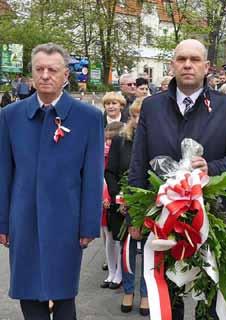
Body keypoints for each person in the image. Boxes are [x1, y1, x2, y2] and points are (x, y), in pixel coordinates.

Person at [128, 38, 226, 320]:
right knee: (167, 296)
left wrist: (213, 168)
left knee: (209, 295)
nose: (187, 65)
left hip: (212, 217)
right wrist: (135, 218)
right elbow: (138, 160)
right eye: (181, 59)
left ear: (206, 67)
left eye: (194, 60)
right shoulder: (152, 106)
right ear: (172, 65)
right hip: (162, 217)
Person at [0, 43, 104, 319]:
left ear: (66, 74)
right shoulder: (10, 116)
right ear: (32, 73)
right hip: (23, 218)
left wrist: (89, 224)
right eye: (40, 69)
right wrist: (2, 222)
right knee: (27, 293)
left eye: (53, 70)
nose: (46, 75)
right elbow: (4, 173)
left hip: (66, 219)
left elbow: (93, 176)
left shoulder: (89, 118)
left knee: (63, 295)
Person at [105, 97, 149, 316]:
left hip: (151, 206)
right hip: (124, 205)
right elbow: (111, 172)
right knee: (127, 249)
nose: (139, 119)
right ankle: (129, 290)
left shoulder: (159, 139)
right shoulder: (121, 140)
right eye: (135, 114)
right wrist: (119, 197)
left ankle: (147, 293)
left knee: (151, 251)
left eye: (144, 114)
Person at [101, 121, 125, 290]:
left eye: (112, 140)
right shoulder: (100, 155)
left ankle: (119, 272)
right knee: (107, 238)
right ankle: (111, 271)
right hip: (103, 200)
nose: (108, 143)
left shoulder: (118, 154)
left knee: (118, 238)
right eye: (107, 139)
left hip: (114, 199)